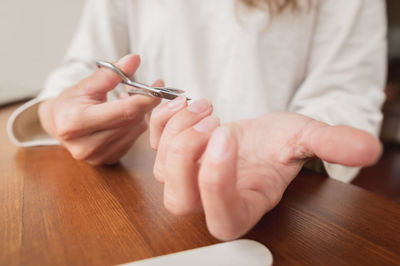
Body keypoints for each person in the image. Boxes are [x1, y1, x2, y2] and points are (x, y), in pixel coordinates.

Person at [7, 0, 386, 240]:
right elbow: (84, 65)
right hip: (143, 196)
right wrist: (56, 110)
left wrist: (300, 140)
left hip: (289, 208)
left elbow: (345, 90)